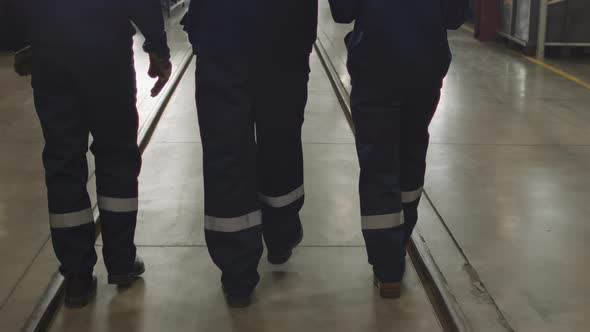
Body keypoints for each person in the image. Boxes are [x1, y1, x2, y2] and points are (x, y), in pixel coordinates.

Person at [10, 0, 172, 308]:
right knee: (116, 154)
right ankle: (122, 261)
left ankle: (77, 275)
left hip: (51, 50)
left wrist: (21, 41)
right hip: (106, 48)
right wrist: (157, 44)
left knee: (63, 161)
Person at [182, 0, 318, 307]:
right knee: (280, 139)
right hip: (285, 32)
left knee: (226, 152)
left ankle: (237, 272)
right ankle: (280, 236)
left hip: (221, 32)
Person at [328, 0, 466, 298]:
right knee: (412, 152)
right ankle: (401, 237)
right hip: (426, 64)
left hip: (375, 62)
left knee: (379, 164)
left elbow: (342, 11)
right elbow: (455, 16)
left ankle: (387, 267)